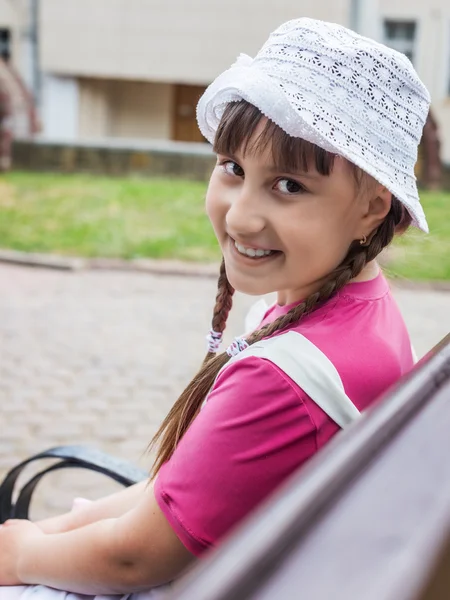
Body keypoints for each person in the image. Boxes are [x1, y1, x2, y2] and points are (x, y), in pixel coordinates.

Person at [0, 16, 431, 599]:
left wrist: (23, 550)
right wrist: (54, 529)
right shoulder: (360, 311)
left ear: (372, 209)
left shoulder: (286, 378)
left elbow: (133, 558)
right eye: (233, 168)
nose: (240, 216)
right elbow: (175, 493)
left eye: (290, 186)